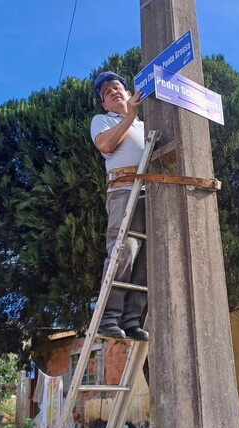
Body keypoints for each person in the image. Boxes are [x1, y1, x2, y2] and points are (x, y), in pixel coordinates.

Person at [90, 71, 149, 341]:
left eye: (116, 87)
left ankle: (132, 319)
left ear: (127, 93)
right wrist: (128, 117)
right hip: (123, 189)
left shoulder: (143, 124)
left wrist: (133, 117)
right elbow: (105, 145)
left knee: (146, 259)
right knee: (123, 251)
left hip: (150, 192)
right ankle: (109, 317)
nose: (113, 92)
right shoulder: (102, 121)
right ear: (104, 104)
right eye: (106, 93)